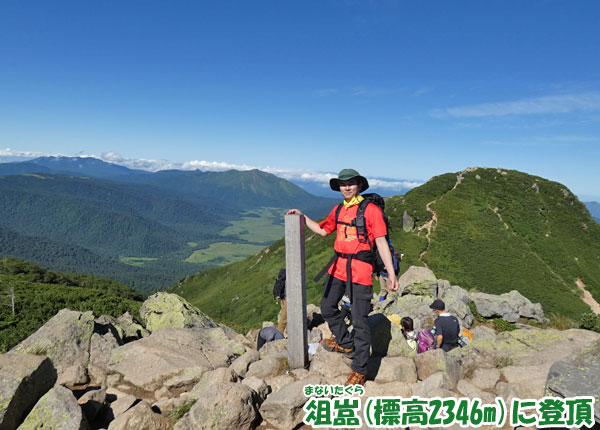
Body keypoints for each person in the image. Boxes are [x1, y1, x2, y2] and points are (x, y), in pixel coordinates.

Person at [288, 168, 399, 385]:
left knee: (359, 319)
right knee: (328, 307)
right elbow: (322, 230)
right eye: (342, 184)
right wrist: (302, 217)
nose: (346, 187)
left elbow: (381, 242)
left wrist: (391, 273)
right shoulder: (338, 209)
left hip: (360, 270)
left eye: (351, 183)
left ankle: (359, 369)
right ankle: (346, 343)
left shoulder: (371, 210)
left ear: (359, 185)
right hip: (338, 266)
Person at [273, 268, 287, 334]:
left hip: (283, 298)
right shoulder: (288, 275)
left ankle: (283, 332)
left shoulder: (282, 276)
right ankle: (279, 333)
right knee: (284, 317)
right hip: (287, 299)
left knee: (284, 316)